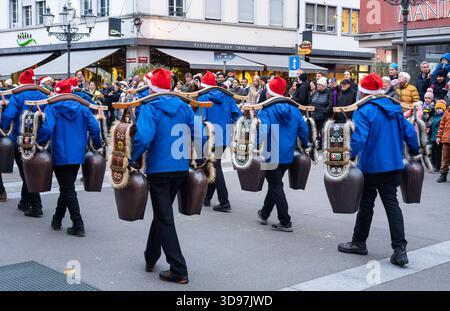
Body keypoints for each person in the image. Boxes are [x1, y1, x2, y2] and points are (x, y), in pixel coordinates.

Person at [338, 73, 419, 267]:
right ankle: (400, 250)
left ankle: (359, 242)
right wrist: (415, 150)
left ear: (363, 92)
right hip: (393, 165)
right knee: (392, 205)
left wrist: (346, 157)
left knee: (366, 204)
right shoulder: (395, 107)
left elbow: (359, 138)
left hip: (371, 166)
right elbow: (410, 132)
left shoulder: (364, 110)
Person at [131, 68, 198, 284]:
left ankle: (178, 268)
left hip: (159, 168)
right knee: (163, 213)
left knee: (164, 217)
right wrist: (202, 154)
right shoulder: (185, 106)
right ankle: (151, 256)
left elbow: (144, 137)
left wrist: (133, 157)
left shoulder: (150, 107)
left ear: (152, 88)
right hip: (180, 166)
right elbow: (201, 132)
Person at [36, 79, 102, 237]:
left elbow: (46, 128)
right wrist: (97, 144)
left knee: (68, 189)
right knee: (67, 187)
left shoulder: (52, 107)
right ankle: (57, 219)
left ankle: (78, 224)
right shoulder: (82, 108)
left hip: (60, 153)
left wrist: (40, 142)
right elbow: (94, 128)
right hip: (78, 153)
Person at [257, 77, 309, 232]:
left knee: (276, 185)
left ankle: (285, 221)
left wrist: (253, 147)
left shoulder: (265, 109)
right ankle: (265, 213)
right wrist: (305, 145)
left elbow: (263, 131)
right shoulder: (294, 109)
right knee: (276, 184)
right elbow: (304, 129)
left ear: (270, 93)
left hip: (269, 152)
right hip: (288, 154)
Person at [0, 69, 47, 217]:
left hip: (20, 138)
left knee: (26, 172)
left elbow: (8, 116)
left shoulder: (18, 95)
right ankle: (25, 202)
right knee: (29, 170)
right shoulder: (42, 94)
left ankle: (36, 205)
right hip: (38, 138)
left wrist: (4, 125)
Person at [198, 71, 242, 212]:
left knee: (215, 166)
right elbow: (238, 116)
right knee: (213, 164)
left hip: (210, 137)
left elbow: (200, 121)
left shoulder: (203, 97)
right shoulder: (228, 98)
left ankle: (224, 202)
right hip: (224, 137)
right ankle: (207, 198)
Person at [309, 77, 333, 148]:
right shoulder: (316, 92)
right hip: (314, 115)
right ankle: (314, 145)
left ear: (323, 85)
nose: (317, 86)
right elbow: (311, 101)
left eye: (319, 84)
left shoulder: (328, 92)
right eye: (318, 84)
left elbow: (330, 104)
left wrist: (325, 112)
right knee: (314, 131)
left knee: (323, 132)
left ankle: (323, 146)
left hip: (323, 116)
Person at [431, 100, 447, 173]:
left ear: (444, 109)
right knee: (433, 151)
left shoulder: (443, 117)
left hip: (440, 138)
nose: (438, 110)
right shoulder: (435, 116)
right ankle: (433, 165)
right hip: (434, 137)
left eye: (440, 108)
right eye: (437, 108)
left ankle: (438, 166)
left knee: (439, 153)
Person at [436, 102, 450, 183]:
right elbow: (441, 126)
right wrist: (438, 136)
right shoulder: (446, 113)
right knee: (445, 158)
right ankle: (443, 174)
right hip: (446, 140)